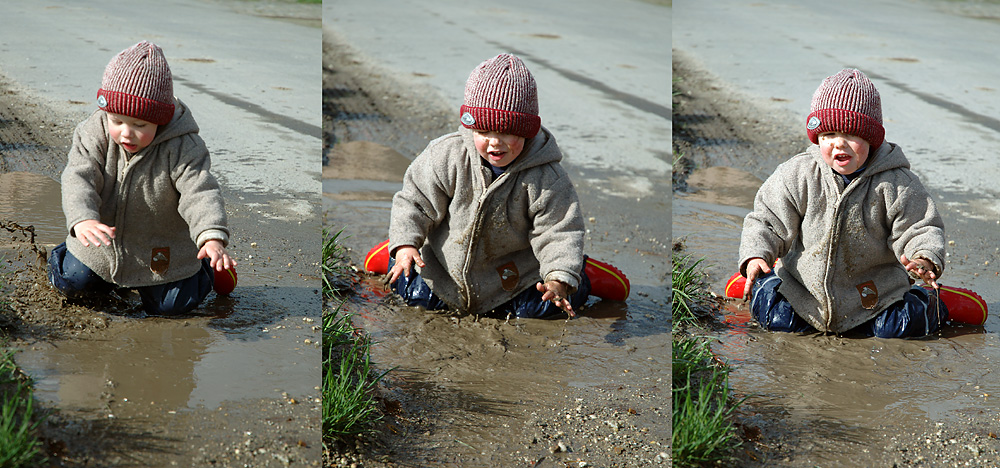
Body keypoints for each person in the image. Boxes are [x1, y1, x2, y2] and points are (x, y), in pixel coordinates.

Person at [364, 53, 628, 319]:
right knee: (415, 294)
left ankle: (577, 272)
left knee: (540, 309)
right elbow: (415, 202)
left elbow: (559, 231)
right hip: (445, 269)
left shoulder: (547, 178)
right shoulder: (445, 156)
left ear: (527, 130)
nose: (494, 143)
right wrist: (406, 245)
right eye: (483, 132)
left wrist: (558, 278)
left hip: (513, 276)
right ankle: (396, 248)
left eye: (506, 132)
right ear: (471, 128)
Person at [738, 68, 949, 338]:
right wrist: (757, 254)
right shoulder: (799, 174)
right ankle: (763, 283)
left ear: (871, 139)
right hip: (805, 291)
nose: (839, 144)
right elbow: (767, 220)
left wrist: (924, 258)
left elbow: (919, 226)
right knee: (778, 319)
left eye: (851, 135)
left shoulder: (897, 183)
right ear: (817, 137)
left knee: (896, 329)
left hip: (873, 294)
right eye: (829, 135)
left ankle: (927, 302)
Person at [48, 41, 236, 315]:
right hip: (104, 243)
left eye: (140, 125)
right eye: (117, 121)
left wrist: (211, 237)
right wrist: (83, 219)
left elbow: (200, 192)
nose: (126, 133)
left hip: (160, 246)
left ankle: (207, 268)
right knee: (74, 282)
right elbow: (79, 177)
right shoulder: (93, 133)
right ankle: (74, 262)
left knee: (173, 307)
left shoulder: (183, 146)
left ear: (160, 119)